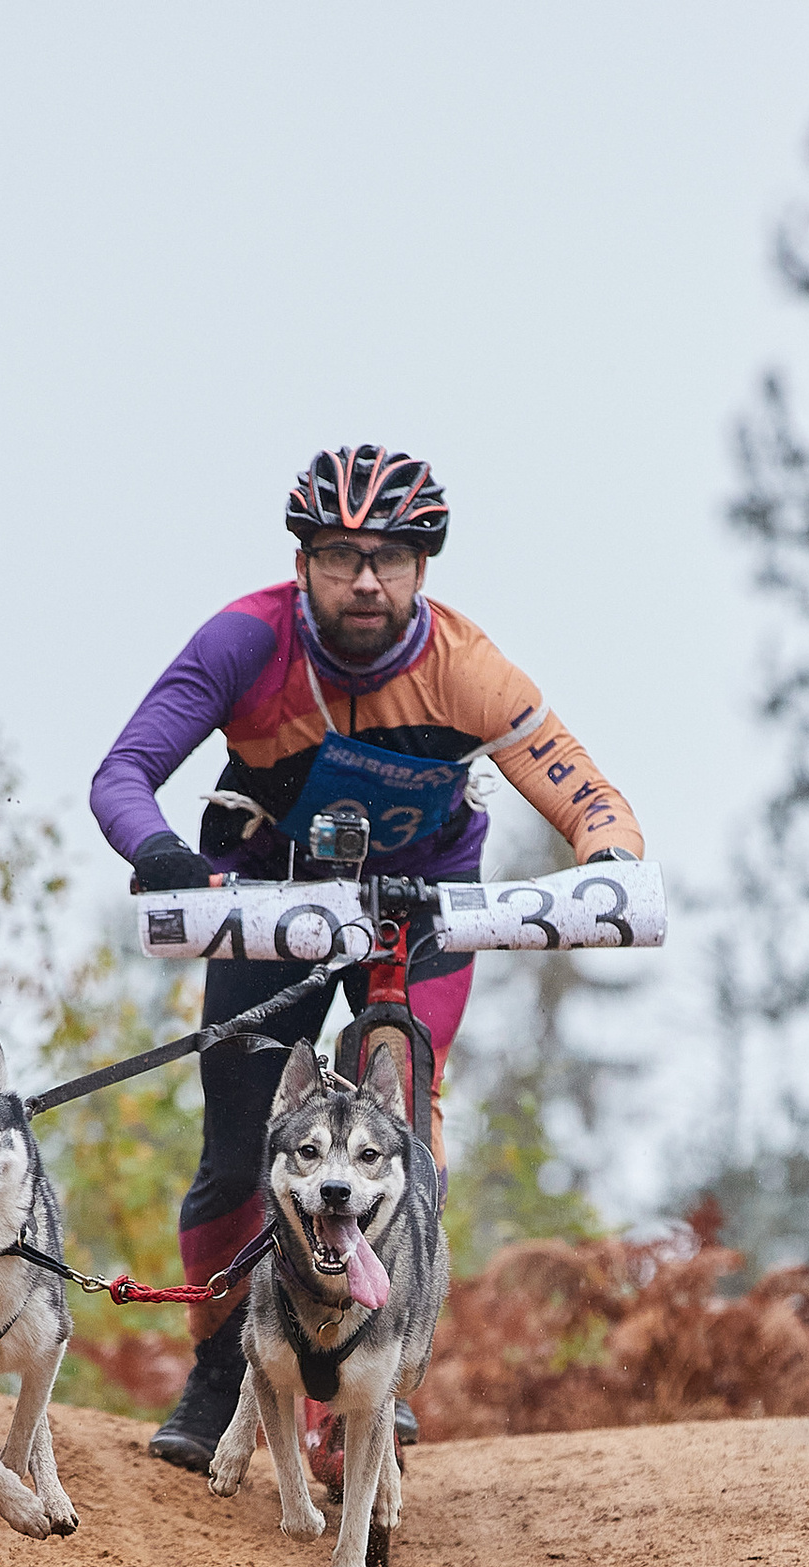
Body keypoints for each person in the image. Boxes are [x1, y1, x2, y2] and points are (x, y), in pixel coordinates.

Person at [91, 442, 644, 1470]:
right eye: (340, 556)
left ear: (421, 568)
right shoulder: (245, 642)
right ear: (301, 563)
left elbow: (591, 798)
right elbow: (122, 774)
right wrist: (161, 855)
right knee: (238, 1146)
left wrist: (606, 864)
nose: (364, 581)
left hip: (420, 908)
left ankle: (384, 1350)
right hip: (274, 899)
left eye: (388, 558)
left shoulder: (467, 668)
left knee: (398, 1109)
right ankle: (221, 1364)